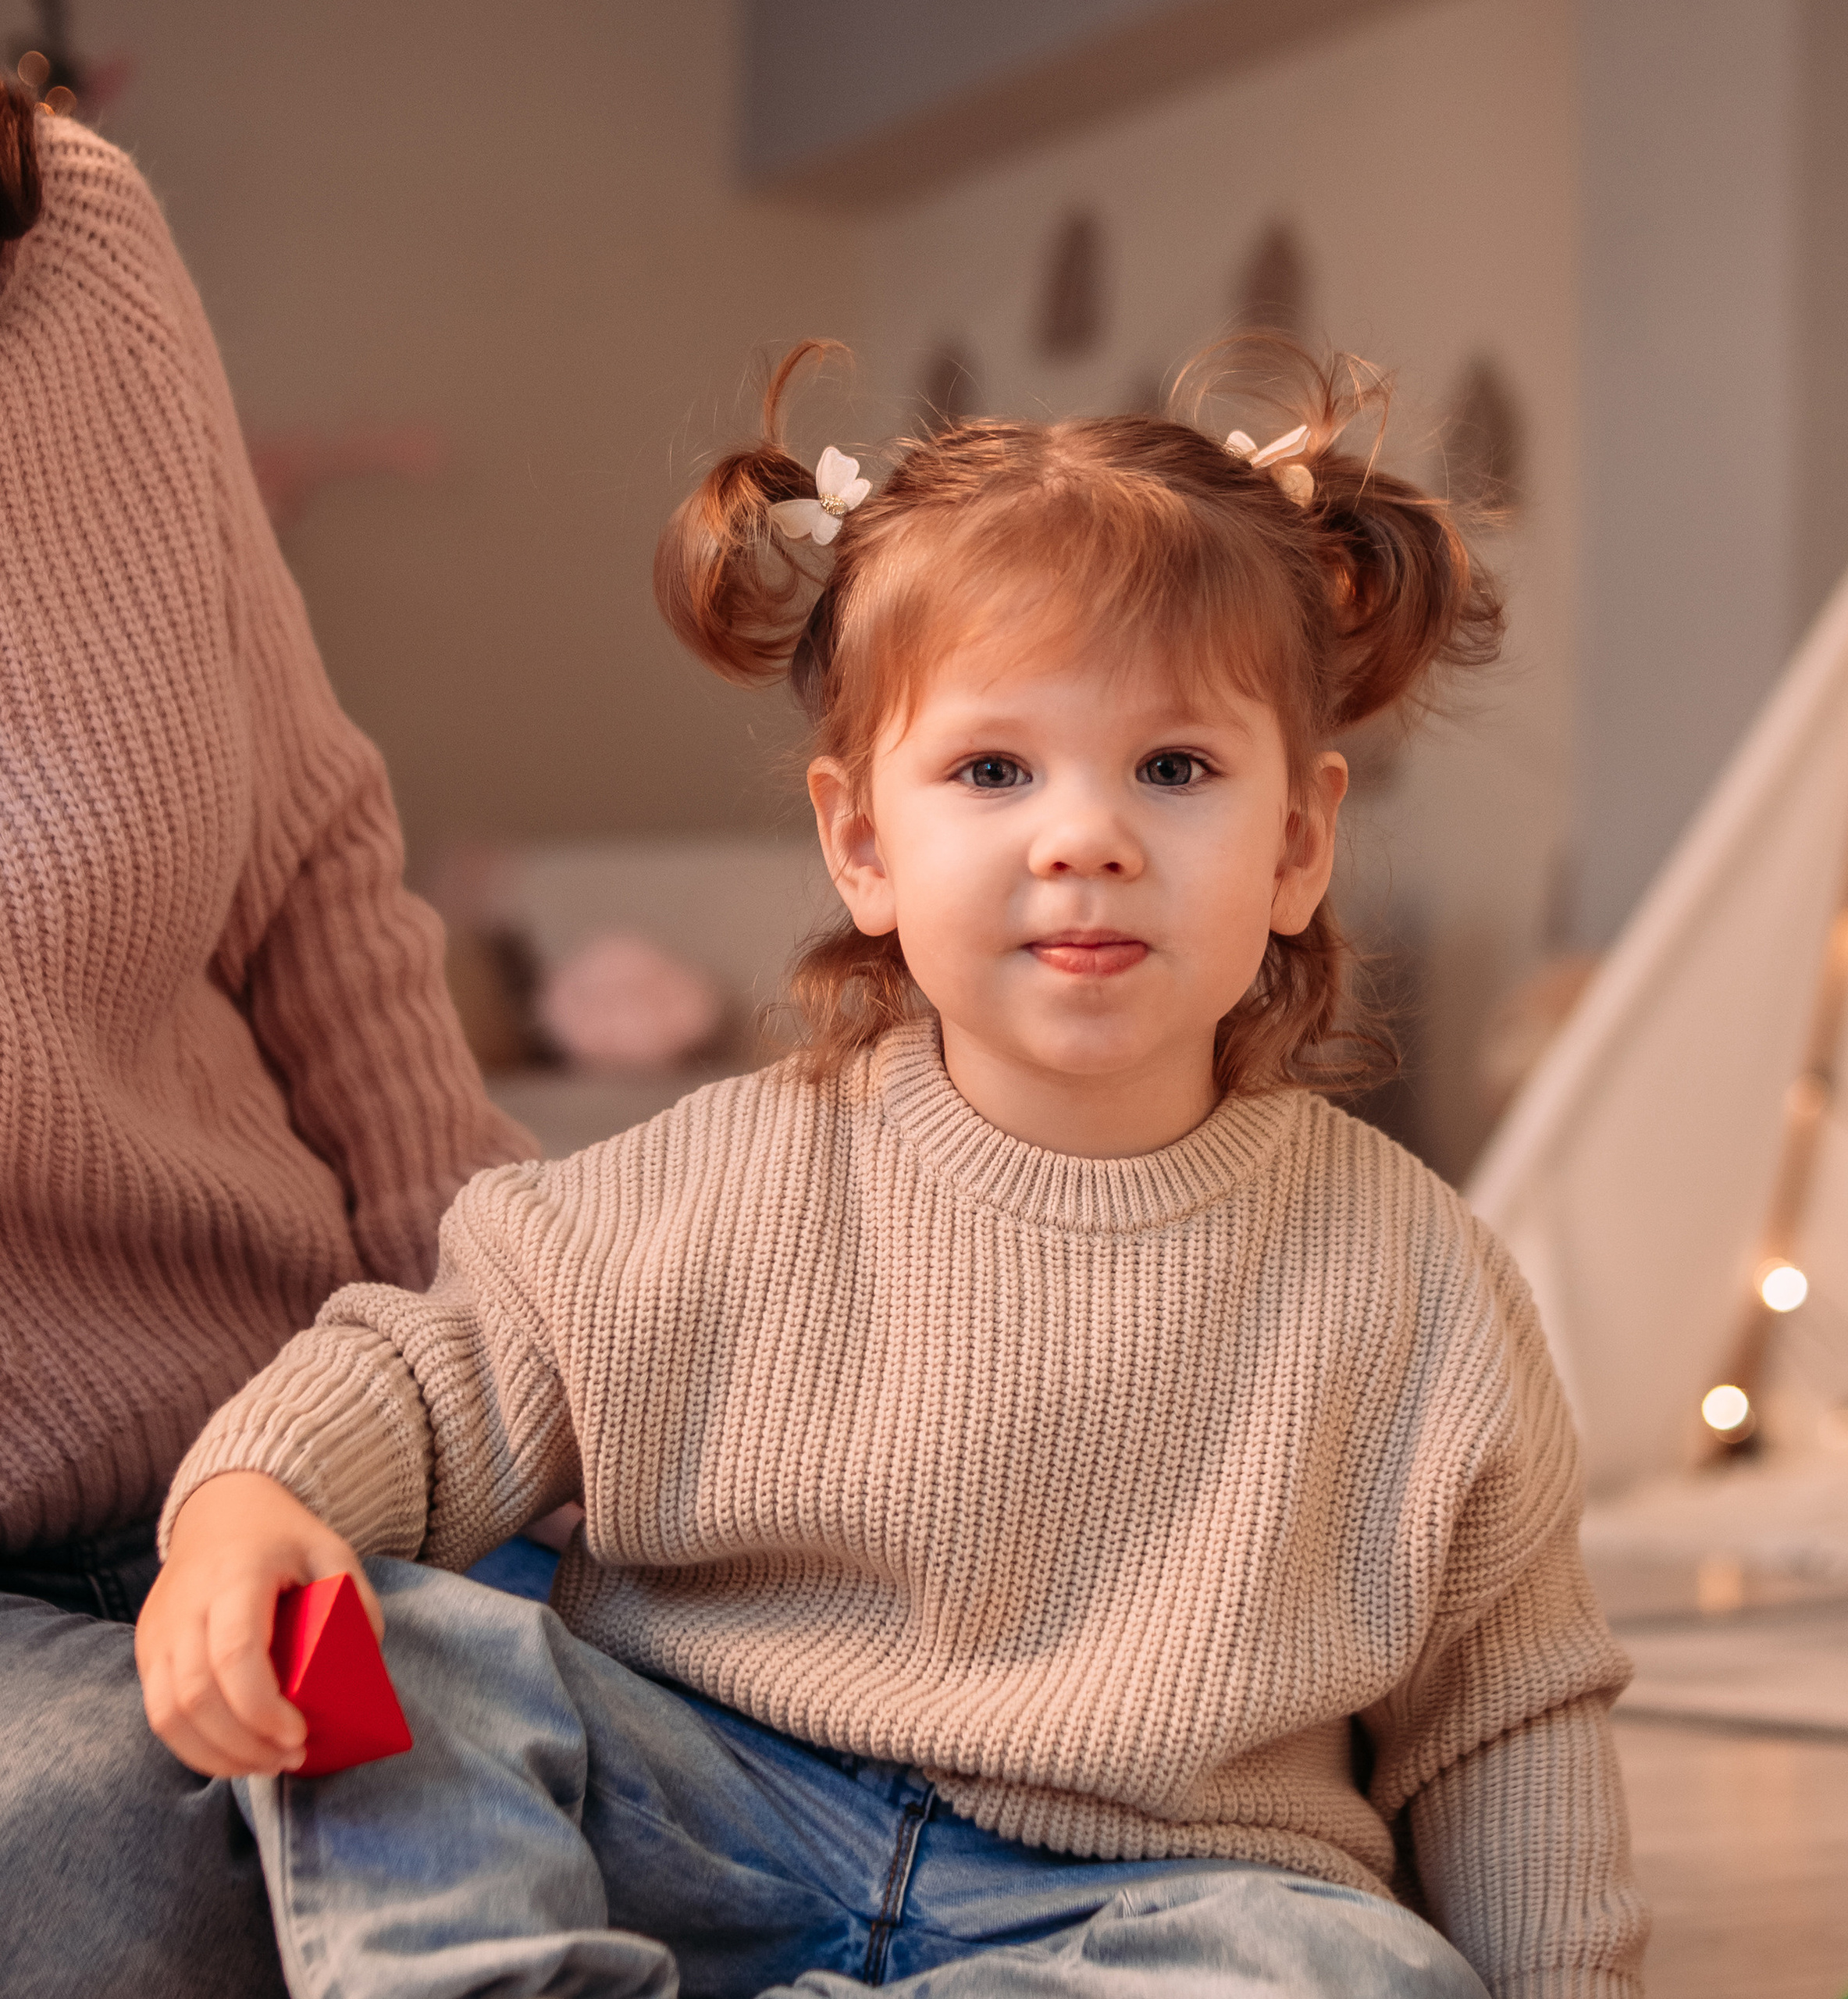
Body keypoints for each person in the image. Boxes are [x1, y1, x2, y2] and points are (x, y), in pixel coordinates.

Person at [138, 336, 1650, 1997]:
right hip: (709, 1802)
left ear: (1297, 840)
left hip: (1139, 1899)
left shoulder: (1420, 1279)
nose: (1082, 835)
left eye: (1175, 767)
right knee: (407, 1637)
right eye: (992, 770)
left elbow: (1505, 1719)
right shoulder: (719, 1179)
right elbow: (423, 1374)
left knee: (1356, 1974)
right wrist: (245, 1507)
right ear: (862, 841)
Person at [0, 87, 534, 1996]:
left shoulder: (72, 234)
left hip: (285, 1434)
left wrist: (509, 1344)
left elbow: (310, 861)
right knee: (161, 1856)